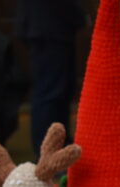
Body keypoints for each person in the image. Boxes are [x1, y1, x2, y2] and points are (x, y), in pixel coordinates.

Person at [15, 0, 85, 156]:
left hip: (53, 26)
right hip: (48, 25)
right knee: (50, 94)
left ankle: (58, 146)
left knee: (59, 93)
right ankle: (47, 152)